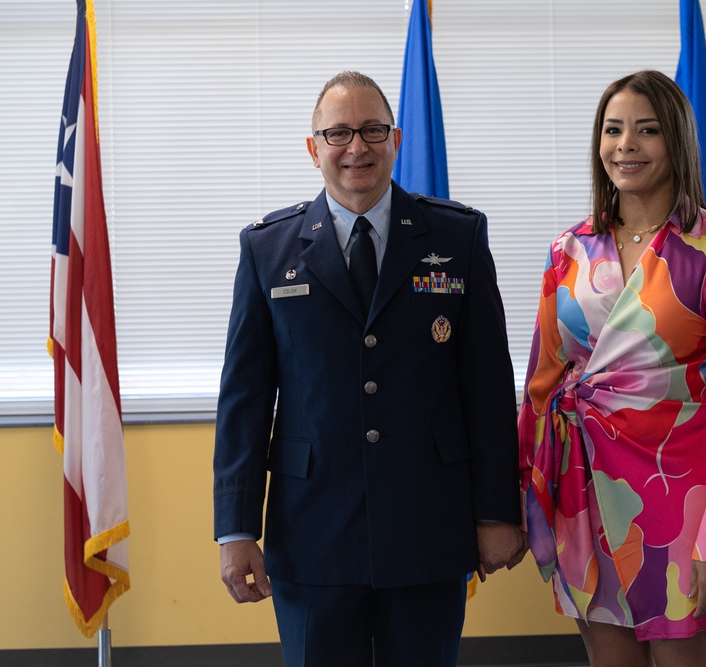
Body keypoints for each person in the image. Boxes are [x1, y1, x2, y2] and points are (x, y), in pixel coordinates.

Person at [213, 70, 525, 666]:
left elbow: (486, 388)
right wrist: (235, 529)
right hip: (311, 532)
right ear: (313, 149)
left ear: (397, 139)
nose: (357, 147)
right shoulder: (267, 250)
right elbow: (245, 400)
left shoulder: (457, 236)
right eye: (338, 133)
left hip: (427, 522)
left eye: (373, 129)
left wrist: (495, 511)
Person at [517, 70, 706, 666]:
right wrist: (528, 500)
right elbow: (541, 386)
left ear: (677, 140)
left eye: (646, 130)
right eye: (612, 129)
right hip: (584, 496)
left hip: (685, 501)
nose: (625, 144)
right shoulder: (569, 250)